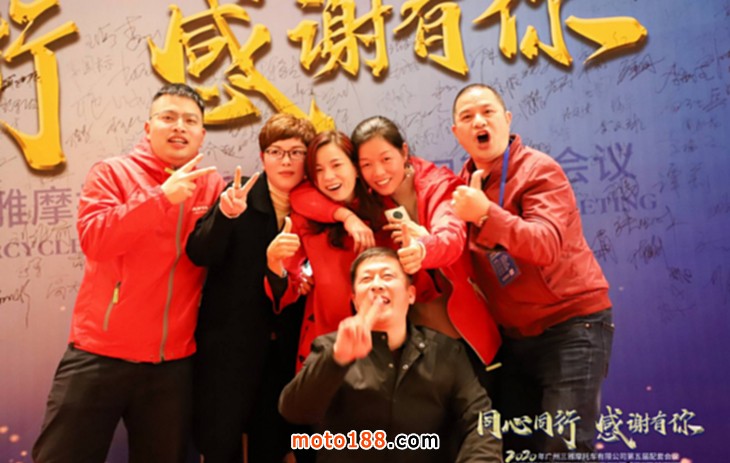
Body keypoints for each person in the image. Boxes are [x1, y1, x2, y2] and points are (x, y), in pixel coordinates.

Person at [32, 83, 225, 463]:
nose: (179, 127)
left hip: (171, 364)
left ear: (202, 134)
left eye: (190, 121)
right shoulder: (112, 173)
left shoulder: (212, 185)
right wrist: (161, 197)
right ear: (148, 127)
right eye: (168, 117)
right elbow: (95, 240)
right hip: (99, 354)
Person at [450, 83, 614, 457]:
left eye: (488, 112)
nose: (479, 122)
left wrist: (485, 214)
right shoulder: (460, 189)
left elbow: (545, 244)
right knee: (513, 450)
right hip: (513, 339)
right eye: (467, 117)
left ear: (507, 119)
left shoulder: (539, 170)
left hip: (572, 326)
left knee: (563, 448)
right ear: (457, 132)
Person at [290, 116, 501, 372]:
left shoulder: (437, 184)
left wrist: (422, 248)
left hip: (458, 329)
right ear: (358, 168)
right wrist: (345, 216)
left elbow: (451, 236)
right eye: (367, 164)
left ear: (403, 151)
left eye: (386, 159)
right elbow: (299, 195)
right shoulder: (371, 201)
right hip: (394, 344)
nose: (378, 172)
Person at [279, 247, 502, 463]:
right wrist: (336, 360)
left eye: (388, 276)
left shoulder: (446, 352)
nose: (377, 285)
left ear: (411, 294)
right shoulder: (330, 347)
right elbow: (295, 411)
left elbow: (482, 418)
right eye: (367, 279)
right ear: (355, 300)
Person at [185, 113, 316, 463]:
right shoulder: (238, 197)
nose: (286, 161)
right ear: (263, 157)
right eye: (276, 152)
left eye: (296, 152)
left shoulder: (317, 208)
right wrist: (225, 216)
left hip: (287, 346)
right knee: (221, 440)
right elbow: (199, 253)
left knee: (272, 442)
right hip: (231, 345)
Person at [266, 130, 389, 371]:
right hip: (324, 342)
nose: (328, 177)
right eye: (319, 170)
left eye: (336, 165)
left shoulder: (384, 210)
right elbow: (287, 286)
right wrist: (277, 265)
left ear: (356, 167)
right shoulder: (306, 219)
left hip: (380, 343)